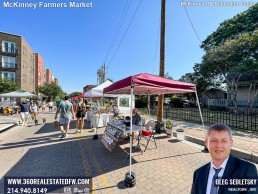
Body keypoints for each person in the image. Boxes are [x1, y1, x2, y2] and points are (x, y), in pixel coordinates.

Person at [191, 123, 257, 194]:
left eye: (224, 141)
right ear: (206, 143)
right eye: (213, 140)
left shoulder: (247, 170)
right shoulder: (198, 173)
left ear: (231, 143)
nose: (219, 145)